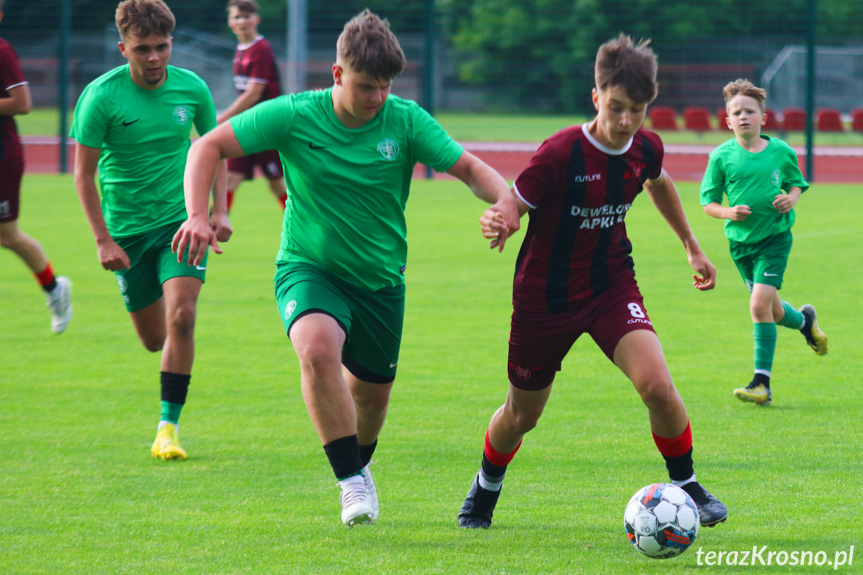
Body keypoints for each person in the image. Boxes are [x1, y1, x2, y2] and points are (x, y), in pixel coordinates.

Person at [172, 9, 519, 527]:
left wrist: (505, 203)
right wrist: (199, 214)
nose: (377, 98)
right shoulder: (294, 114)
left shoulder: (404, 119)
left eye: (384, 87)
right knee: (316, 350)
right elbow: (208, 146)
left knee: (372, 402)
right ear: (337, 75)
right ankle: (350, 482)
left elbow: (467, 167)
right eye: (365, 87)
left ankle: (360, 464)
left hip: (380, 282)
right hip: (307, 266)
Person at [457, 34, 728, 530]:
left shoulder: (646, 145)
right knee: (522, 416)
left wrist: (691, 243)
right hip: (544, 299)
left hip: (609, 285)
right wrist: (500, 218)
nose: (627, 121)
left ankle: (687, 485)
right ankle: (484, 488)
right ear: (596, 96)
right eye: (618, 107)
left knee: (658, 388)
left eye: (638, 109)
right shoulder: (560, 152)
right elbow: (514, 203)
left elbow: (659, 180)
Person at [70, 0, 231, 461]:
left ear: (172, 44)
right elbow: (83, 175)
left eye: (162, 47)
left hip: (182, 223)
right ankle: (167, 362)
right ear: (123, 48)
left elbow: (215, 147)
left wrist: (216, 212)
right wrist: (103, 239)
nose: (155, 58)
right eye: (143, 49)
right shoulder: (101, 97)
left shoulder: (192, 87)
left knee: (183, 316)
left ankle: (167, 428)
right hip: (126, 232)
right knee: (153, 338)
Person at [700, 79, 828, 407]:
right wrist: (728, 211)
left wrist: (791, 199)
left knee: (758, 306)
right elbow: (709, 204)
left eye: (749, 111)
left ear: (763, 118)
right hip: (741, 246)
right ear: (727, 121)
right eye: (736, 112)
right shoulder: (720, 157)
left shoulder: (781, 151)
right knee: (770, 310)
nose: (743, 117)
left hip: (774, 240)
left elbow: (796, 184)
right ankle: (805, 322)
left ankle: (762, 384)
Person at [0, 1, 72, 334]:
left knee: (8, 237)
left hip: (2, 157)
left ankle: (54, 289)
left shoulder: (2, 51)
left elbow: (23, 103)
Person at [217, 0, 287, 212]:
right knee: (229, 180)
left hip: (265, 127)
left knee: (278, 184)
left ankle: (305, 230)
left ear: (256, 19)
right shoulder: (241, 49)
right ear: (230, 21)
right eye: (237, 17)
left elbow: (253, 94)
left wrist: (219, 121)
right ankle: (212, 234)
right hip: (247, 127)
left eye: (246, 17)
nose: (242, 22)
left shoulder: (261, 49)